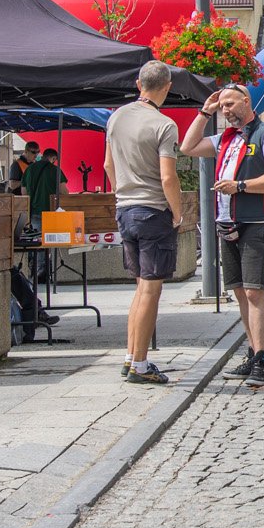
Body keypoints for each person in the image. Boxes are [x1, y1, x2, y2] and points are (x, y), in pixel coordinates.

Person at [180, 84, 264, 384]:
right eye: (222, 106)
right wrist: (206, 111)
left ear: (247, 101)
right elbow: (187, 147)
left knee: (255, 290)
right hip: (227, 221)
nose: (226, 110)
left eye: (230, 104)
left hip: (257, 221)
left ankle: (262, 358)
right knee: (240, 290)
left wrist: (241, 186)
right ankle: (253, 350)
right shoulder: (223, 139)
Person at [105, 60, 184, 385]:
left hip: (126, 208)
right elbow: (168, 176)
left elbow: (108, 164)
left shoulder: (116, 117)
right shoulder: (164, 125)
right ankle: (140, 363)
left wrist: (121, 194)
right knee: (151, 289)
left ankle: (130, 355)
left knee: (140, 286)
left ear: (139, 84)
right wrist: (177, 212)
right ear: (166, 88)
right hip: (153, 210)